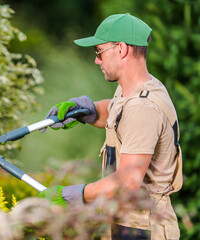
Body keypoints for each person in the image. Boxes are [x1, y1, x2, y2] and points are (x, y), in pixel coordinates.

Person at [38, 13, 183, 240]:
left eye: (99, 51)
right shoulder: (135, 90)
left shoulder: (144, 108)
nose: (96, 59)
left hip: (143, 229)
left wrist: (71, 195)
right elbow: (120, 112)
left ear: (121, 49)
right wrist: (85, 110)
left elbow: (126, 184)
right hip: (125, 222)